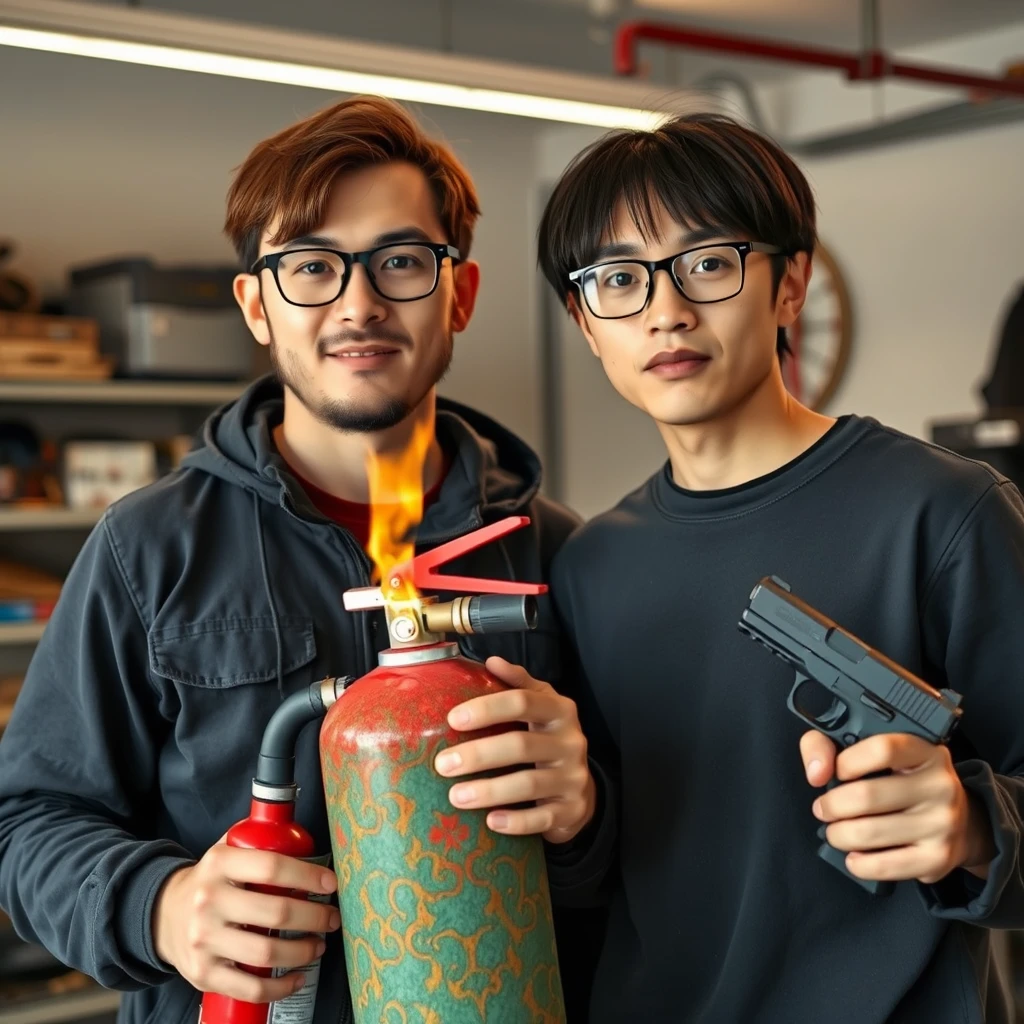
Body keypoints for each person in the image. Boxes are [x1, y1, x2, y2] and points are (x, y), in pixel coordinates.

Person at [0, 95, 602, 1023]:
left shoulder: (558, 556)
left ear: (462, 294)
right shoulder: (148, 548)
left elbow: (645, 870)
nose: (358, 303)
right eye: (311, 266)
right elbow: (25, 825)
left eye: (401, 261)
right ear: (257, 305)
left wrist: (582, 815)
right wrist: (165, 908)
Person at [535, 111, 1024, 1023]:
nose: (665, 310)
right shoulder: (588, 566)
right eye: (616, 281)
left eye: (709, 263)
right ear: (585, 322)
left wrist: (970, 827)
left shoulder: (945, 514)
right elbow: (602, 867)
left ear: (789, 284)